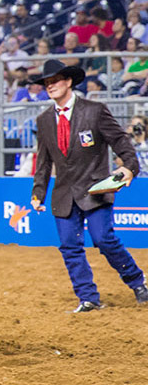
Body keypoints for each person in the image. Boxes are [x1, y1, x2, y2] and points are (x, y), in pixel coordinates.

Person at [30, 59, 148, 312]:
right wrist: (38, 192)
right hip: (64, 194)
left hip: (95, 188)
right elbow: (43, 160)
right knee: (69, 246)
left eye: (55, 81)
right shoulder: (44, 120)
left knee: (103, 238)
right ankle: (88, 297)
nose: (50, 86)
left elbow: (120, 140)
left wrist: (129, 166)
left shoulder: (94, 110)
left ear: (69, 81)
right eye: (47, 83)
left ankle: (137, 282)